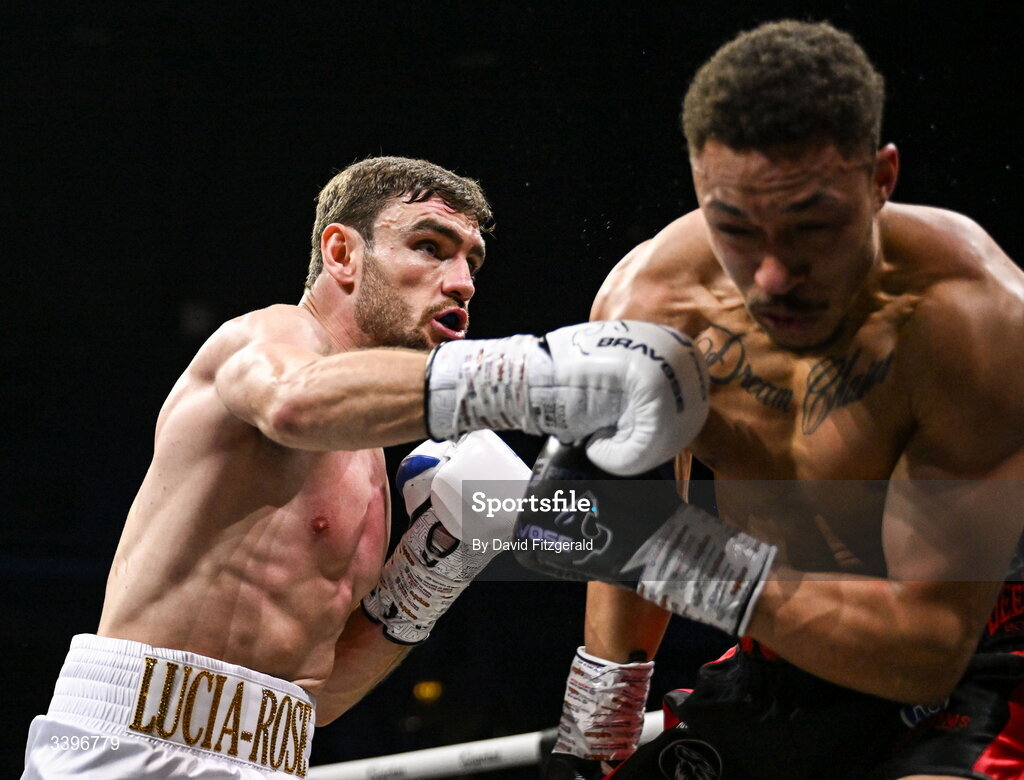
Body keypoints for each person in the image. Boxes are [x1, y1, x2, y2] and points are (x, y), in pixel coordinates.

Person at [21, 156, 710, 778]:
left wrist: (426, 582)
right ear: (342, 252)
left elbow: (316, 701)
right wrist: (537, 376)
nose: (463, 282)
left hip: (269, 755)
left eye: (472, 259)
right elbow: (292, 403)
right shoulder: (269, 338)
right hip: (130, 744)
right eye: (430, 247)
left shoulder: (376, 467)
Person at [527, 20, 1024, 780]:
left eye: (809, 225)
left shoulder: (976, 317)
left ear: (881, 178)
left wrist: (670, 552)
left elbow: (927, 652)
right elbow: (629, 523)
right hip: (782, 663)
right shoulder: (650, 306)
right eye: (734, 227)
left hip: (978, 661)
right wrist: (597, 734)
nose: (771, 274)